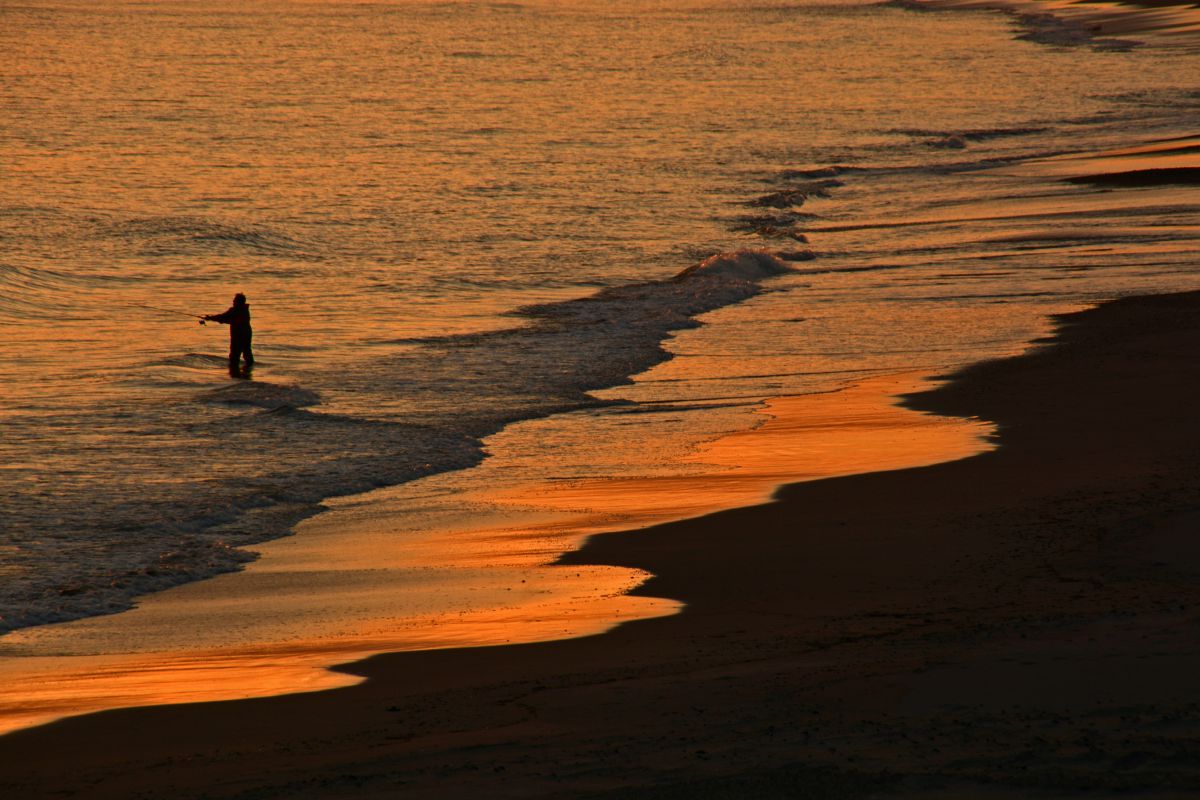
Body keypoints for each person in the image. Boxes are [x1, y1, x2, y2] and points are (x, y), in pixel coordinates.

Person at [204, 293, 254, 374]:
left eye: (235, 300)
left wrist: (210, 318)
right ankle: (248, 372)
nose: (233, 302)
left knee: (234, 356)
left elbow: (224, 317)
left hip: (238, 336)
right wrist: (213, 318)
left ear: (239, 302)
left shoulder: (236, 310)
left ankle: (235, 374)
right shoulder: (245, 310)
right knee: (247, 353)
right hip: (247, 334)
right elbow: (226, 318)